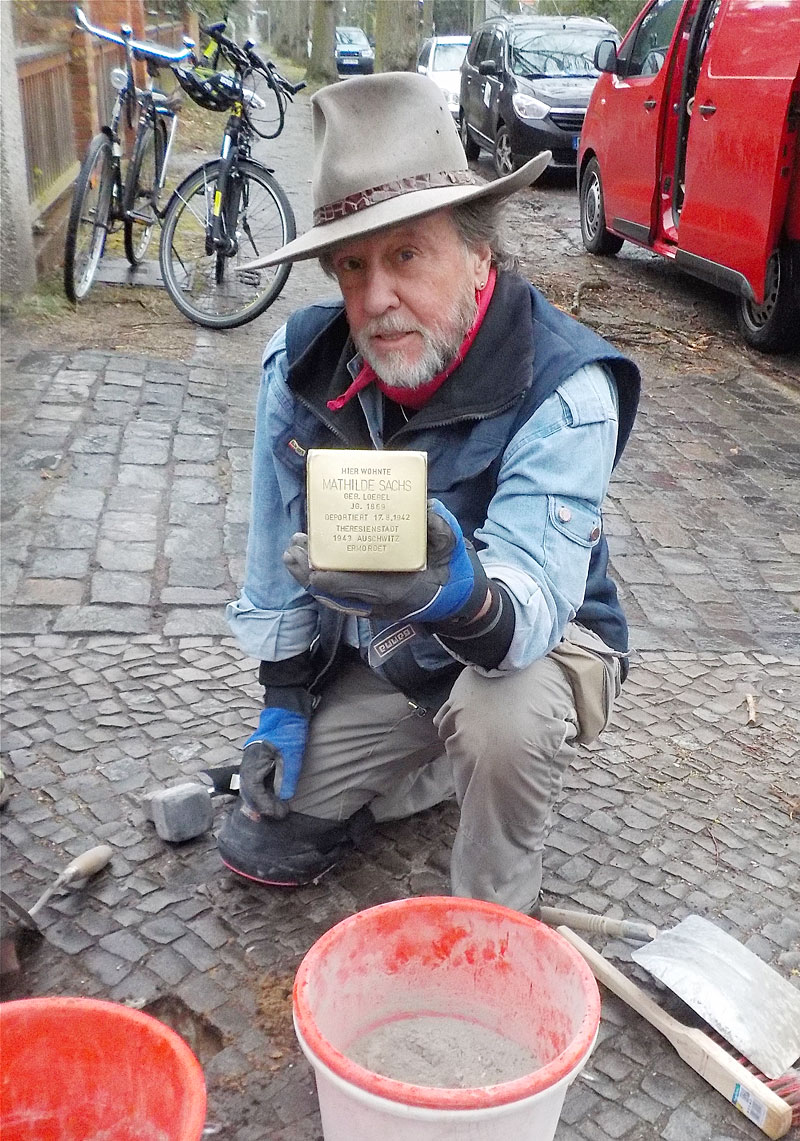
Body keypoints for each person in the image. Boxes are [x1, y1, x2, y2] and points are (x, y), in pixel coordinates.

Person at [219, 72, 640, 914]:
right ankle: (427, 768)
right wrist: (283, 698)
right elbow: (278, 554)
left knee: (502, 715)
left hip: (539, 641)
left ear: (481, 251)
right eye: (351, 265)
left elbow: (523, 610)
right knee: (268, 831)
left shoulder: (566, 386)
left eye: (407, 253)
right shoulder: (296, 365)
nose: (375, 301)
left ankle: (496, 907)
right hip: (396, 653)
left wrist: (456, 587)